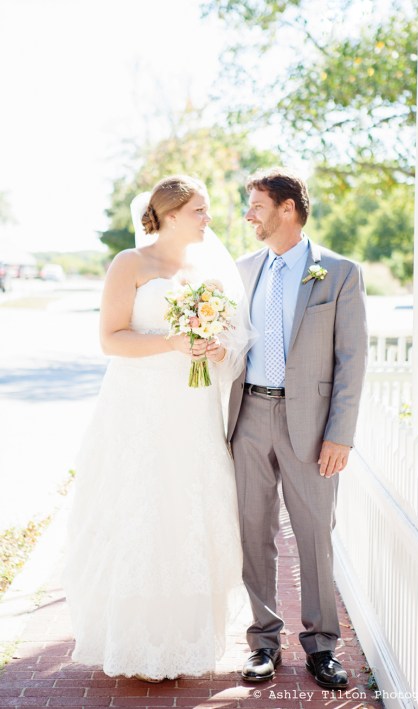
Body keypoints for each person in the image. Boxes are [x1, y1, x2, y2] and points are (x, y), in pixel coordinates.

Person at [63, 176, 251, 682]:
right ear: (169, 215)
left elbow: (226, 338)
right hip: (137, 407)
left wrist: (214, 348)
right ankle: (133, 639)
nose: (209, 219)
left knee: (187, 508)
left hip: (191, 408)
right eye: (200, 210)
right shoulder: (131, 263)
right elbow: (111, 339)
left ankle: (180, 640)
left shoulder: (204, 269)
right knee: (139, 508)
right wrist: (172, 343)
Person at [226, 168, 368, 689]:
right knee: (253, 532)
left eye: (257, 207)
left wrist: (341, 433)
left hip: (311, 426)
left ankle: (322, 646)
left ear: (288, 209)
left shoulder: (340, 272)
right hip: (248, 418)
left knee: (314, 536)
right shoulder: (240, 271)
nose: (248, 217)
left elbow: (352, 360)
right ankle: (263, 642)